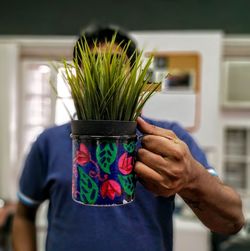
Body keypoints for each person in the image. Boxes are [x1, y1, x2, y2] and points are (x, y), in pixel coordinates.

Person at [12, 25, 245, 251]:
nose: (102, 72)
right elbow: (24, 214)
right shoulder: (48, 142)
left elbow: (232, 221)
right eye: (91, 64)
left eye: (115, 64)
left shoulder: (169, 139)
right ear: (78, 76)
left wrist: (192, 178)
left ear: (133, 74)